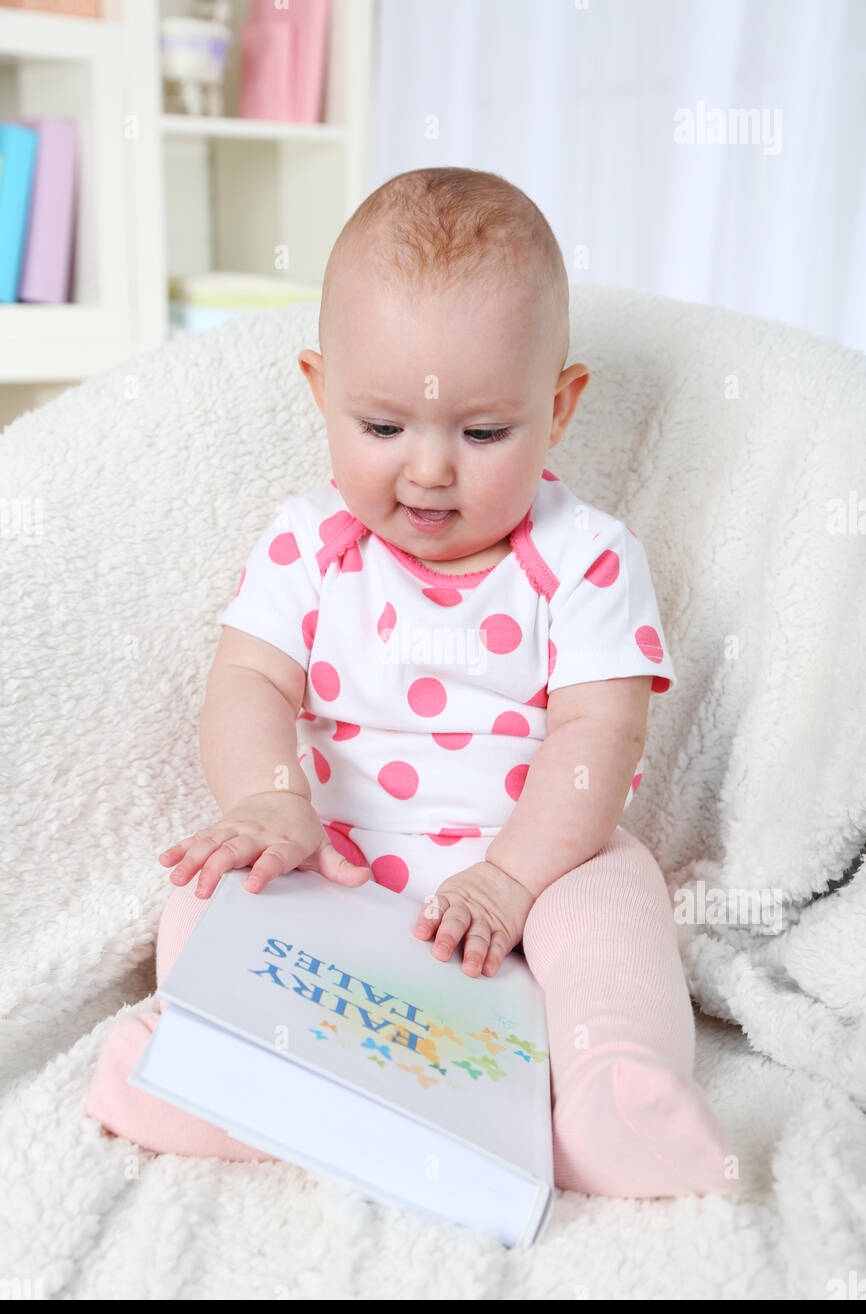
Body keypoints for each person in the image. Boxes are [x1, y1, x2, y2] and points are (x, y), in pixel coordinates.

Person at [86, 167, 735, 1198]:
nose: (429, 470)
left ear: (557, 407)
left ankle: (607, 1090)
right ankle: (222, 1065)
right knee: (209, 884)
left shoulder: (584, 556)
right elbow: (248, 678)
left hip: (530, 863)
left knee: (617, 897)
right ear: (319, 390)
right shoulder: (308, 543)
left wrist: (514, 878)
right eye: (382, 427)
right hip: (337, 860)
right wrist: (270, 801)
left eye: (482, 433)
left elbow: (595, 738)